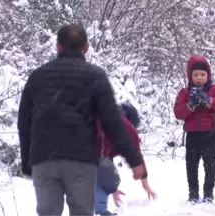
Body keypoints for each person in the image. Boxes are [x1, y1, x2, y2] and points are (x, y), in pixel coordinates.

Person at [17, 23, 147, 216]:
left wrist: (28, 161)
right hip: (81, 160)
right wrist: (134, 160)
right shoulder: (95, 77)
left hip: (44, 158)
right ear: (86, 47)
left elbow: (24, 122)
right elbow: (113, 122)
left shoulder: (38, 77)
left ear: (58, 46)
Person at [173, 55, 215, 204]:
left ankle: (208, 193)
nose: (199, 78)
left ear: (208, 75)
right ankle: (193, 194)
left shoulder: (214, 89)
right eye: (196, 75)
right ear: (190, 76)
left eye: (202, 75)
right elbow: (178, 113)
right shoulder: (184, 93)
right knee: (191, 165)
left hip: (210, 134)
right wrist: (190, 106)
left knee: (210, 165)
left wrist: (210, 101)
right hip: (192, 135)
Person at [95, 102, 156, 216]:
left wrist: (112, 188)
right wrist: (144, 181)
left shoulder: (107, 117)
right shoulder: (126, 125)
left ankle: (99, 210)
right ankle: (100, 212)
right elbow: (136, 152)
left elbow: (106, 165)